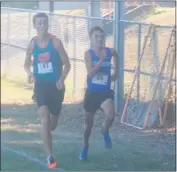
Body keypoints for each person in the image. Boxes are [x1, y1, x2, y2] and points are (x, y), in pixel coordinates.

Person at [24, 12, 71, 168]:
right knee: (44, 119)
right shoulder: (32, 44)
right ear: (34, 26)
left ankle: (46, 136)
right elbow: (26, 64)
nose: (42, 25)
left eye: (44, 22)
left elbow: (67, 64)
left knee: (52, 124)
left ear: (48, 24)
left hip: (56, 87)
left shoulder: (55, 42)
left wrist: (61, 79)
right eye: (39, 23)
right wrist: (30, 73)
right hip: (41, 86)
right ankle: (50, 156)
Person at [79, 26, 118, 160]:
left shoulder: (109, 51)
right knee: (88, 126)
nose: (100, 39)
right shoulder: (88, 54)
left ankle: (105, 130)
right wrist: (101, 61)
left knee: (111, 115)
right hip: (92, 93)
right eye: (97, 36)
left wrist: (115, 72)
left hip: (104, 93)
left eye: (102, 37)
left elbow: (116, 54)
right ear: (91, 38)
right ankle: (85, 147)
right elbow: (90, 73)